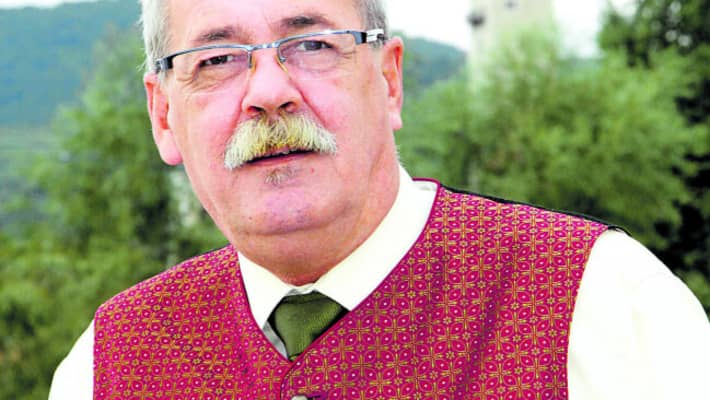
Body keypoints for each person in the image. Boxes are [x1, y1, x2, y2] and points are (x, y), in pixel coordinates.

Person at [49, 0, 710, 399]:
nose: (269, 93)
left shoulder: (603, 302)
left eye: (312, 44)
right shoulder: (106, 366)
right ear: (164, 115)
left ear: (390, 81)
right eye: (217, 59)